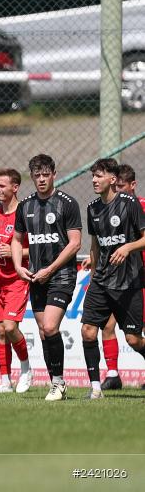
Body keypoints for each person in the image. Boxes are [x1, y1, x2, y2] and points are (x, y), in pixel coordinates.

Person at [11, 154, 81, 402]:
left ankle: (59, 383)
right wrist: (19, 266)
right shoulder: (25, 206)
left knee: (50, 326)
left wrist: (50, 269)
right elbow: (17, 240)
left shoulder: (67, 203)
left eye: (45, 174)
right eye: (37, 175)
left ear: (54, 174)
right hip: (35, 277)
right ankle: (55, 382)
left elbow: (74, 244)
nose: (41, 179)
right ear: (32, 177)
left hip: (61, 274)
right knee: (43, 332)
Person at [80, 158, 145, 400]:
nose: (95, 180)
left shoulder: (129, 204)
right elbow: (96, 244)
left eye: (99, 176)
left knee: (133, 339)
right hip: (102, 281)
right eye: (93, 176)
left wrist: (128, 248)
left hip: (129, 281)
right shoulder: (92, 208)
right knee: (88, 331)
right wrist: (93, 268)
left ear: (113, 179)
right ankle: (96, 387)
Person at [0, 168, 32, 394]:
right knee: (1, 331)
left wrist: (15, 253)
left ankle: (26, 369)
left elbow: (39, 248)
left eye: (2, 186)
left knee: (11, 327)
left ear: (15, 187)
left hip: (15, 281)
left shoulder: (25, 214)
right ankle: (5, 380)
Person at [103, 164, 145, 389]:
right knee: (107, 326)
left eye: (121, 186)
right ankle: (112, 375)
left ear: (133, 185)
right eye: (115, 186)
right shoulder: (111, 210)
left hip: (139, 279)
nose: (117, 191)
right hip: (118, 279)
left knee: (134, 337)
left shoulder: (142, 207)